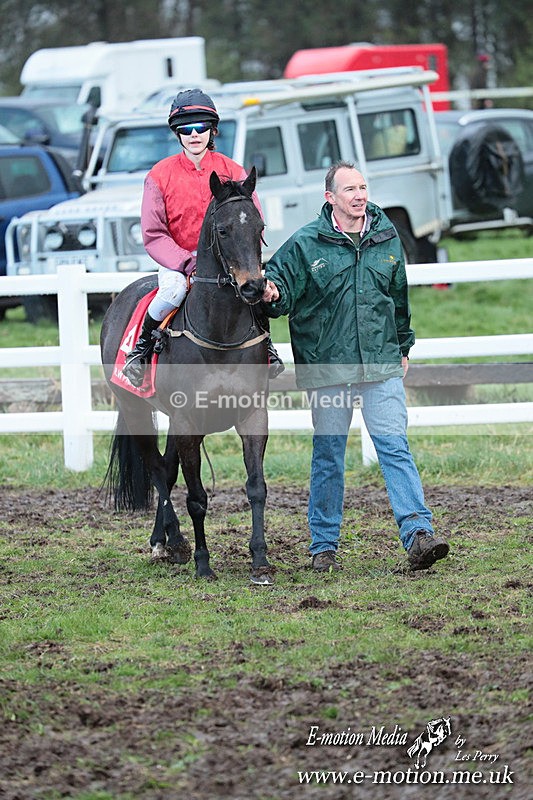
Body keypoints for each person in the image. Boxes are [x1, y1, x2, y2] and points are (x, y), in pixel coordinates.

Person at [262, 160, 449, 572]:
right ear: (330, 197)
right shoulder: (306, 243)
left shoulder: (386, 235)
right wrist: (272, 292)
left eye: (363, 187)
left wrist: (403, 345)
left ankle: (419, 533)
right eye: (350, 189)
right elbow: (279, 290)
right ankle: (323, 546)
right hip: (328, 368)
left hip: (381, 362)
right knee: (329, 455)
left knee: (394, 447)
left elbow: (398, 297)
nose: (359, 195)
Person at [122, 88, 284, 387]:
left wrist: (246, 261)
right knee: (171, 292)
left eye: (200, 127)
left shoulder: (233, 170)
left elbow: (252, 222)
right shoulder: (159, 175)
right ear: (177, 134)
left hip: (232, 258)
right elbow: (154, 233)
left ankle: (267, 348)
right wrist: (186, 262)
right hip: (178, 261)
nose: (194, 134)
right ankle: (141, 350)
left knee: (254, 288)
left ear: (212, 130)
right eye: (186, 129)